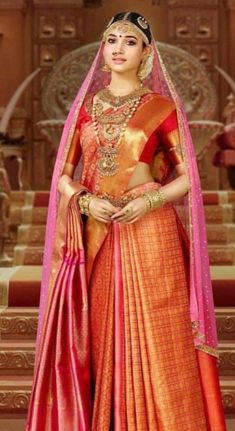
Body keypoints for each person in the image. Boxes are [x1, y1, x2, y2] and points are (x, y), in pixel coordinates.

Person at [25, 11, 227, 431]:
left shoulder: (161, 107)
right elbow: (63, 175)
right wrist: (82, 201)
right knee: (102, 328)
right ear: (103, 49)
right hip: (99, 227)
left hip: (150, 228)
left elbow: (188, 175)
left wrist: (149, 200)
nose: (118, 47)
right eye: (112, 39)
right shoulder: (85, 109)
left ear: (146, 52)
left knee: (160, 331)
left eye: (129, 41)